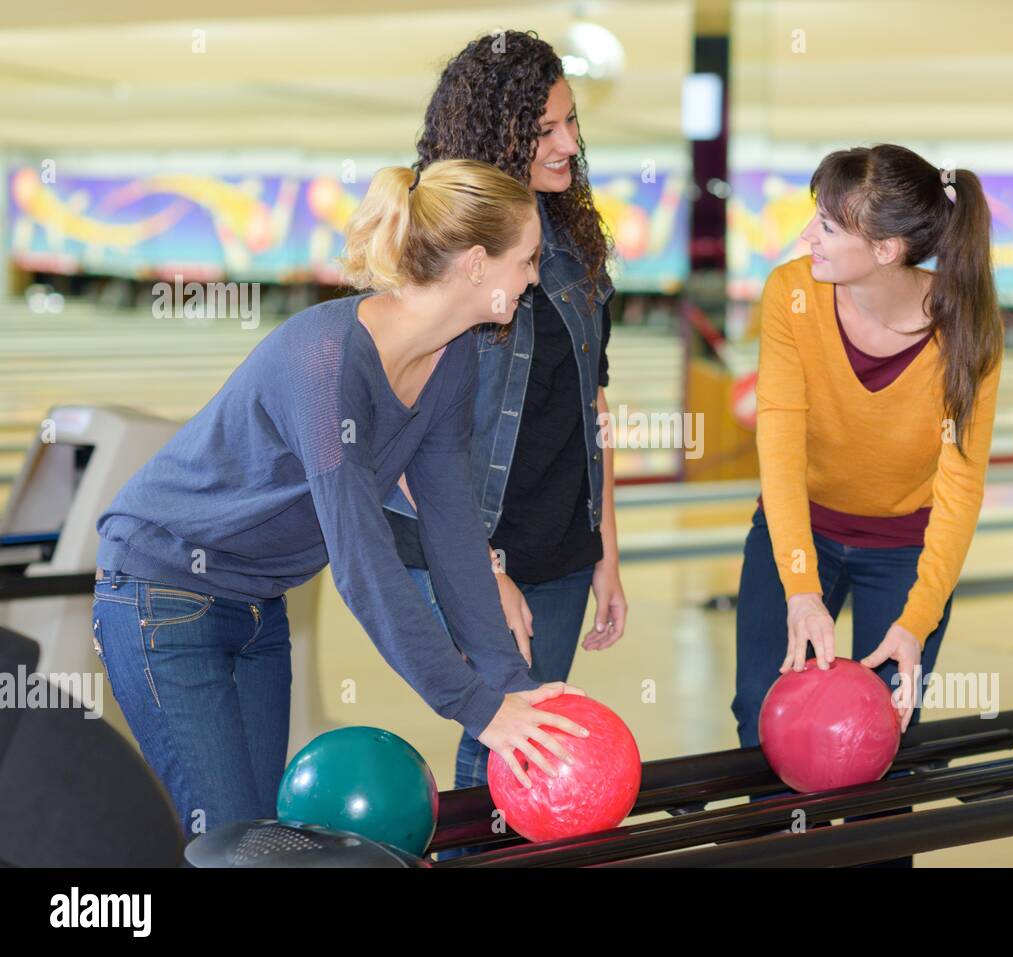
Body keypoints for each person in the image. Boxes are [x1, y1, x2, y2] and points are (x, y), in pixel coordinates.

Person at [92, 159, 586, 839]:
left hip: (260, 604)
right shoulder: (326, 363)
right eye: (527, 260)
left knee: (255, 833)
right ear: (476, 264)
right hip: (163, 591)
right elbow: (364, 565)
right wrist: (474, 705)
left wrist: (509, 683)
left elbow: (451, 531)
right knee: (231, 842)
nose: (534, 277)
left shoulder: (457, 356)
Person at [384, 31, 626, 804]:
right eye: (546, 129)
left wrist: (606, 550)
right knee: (499, 731)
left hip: (559, 542)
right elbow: (399, 425)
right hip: (464, 533)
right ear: (498, 132)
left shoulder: (575, 246)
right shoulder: (449, 247)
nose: (570, 144)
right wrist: (484, 567)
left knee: (532, 738)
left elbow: (592, 407)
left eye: (572, 122)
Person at [734, 144, 1004, 745]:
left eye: (827, 225)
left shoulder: (969, 328)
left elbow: (960, 489)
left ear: (886, 250)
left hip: (905, 548)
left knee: (883, 734)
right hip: (802, 527)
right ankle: (781, 841)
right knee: (763, 715)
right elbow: (778, 447)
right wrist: (802, 590)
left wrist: (916, 622)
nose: (808, 236)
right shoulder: (791, 294)